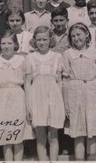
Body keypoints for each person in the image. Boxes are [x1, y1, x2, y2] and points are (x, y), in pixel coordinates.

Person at [0, 30, 34, 161]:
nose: (6, 46)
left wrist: (29, 106)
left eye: (9, 43)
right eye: (3, 43)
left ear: (15, 45)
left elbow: (27, 85)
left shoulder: (22, 60)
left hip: (18, 98)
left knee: (17, 134)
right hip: (1, 101)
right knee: (5, 134)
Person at [24, 26, 65, 161]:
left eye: (45, 39)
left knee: (53, 136)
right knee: (41, 137)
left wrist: (61, 103)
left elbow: (60, 82)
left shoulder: (57, 56)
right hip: (37, 98)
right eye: (39, 39)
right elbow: (28, 83)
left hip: (54, 98)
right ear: (35, 40)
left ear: (50, 40)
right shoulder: (30, 57)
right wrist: (28, 105)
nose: (42, 42)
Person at [62, 23, 96, 160]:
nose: (76, 38)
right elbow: (65, 80)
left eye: (78, 34)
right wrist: (66, 103)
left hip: (92, 93)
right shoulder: (67, 54)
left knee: (92, 131)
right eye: (72, 36)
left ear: (86, 35)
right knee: (78, 132)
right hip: (74, 94)